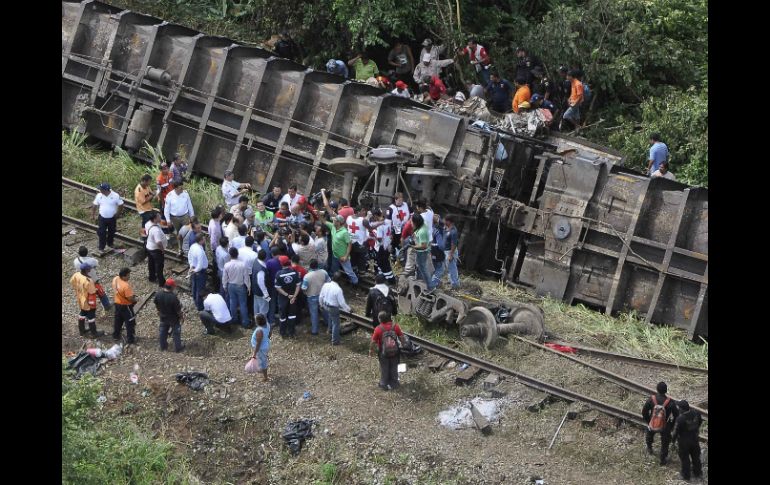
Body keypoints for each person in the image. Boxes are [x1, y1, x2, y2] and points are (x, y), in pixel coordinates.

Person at [369, 311, 408, 390]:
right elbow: (401, 337)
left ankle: (384, 384)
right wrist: (404, 345)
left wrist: (371, 351)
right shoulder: (395, 326)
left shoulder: (378, 329)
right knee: (394, 367)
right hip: (395, 352)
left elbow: (373, 342)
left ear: (380, 319)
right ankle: (394, 383)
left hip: (383, 353)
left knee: (384, 368)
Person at [642, 381, 679, 465]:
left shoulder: (651, 399)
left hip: (653, 423)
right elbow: (676, 415)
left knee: (649, 435)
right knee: (665, 443)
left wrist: (649, 421)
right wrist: (671, 425)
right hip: (665, 426)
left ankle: (649, 448)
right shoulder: (670, 402)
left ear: (657, 389)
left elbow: (644, 412)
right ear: (666, 390)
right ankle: (662, 460)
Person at [70, 263, 104, 338]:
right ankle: (94, 333)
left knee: (82, 313)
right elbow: (92, 292)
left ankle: (82, 331)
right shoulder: (89, 281)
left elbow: (72, 282)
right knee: (91, 316)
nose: (90, 269)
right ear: (86, 270)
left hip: (80, 298)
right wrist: (96, 289)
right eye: (89, 268)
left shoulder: (77, 274)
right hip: (88, 301)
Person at [671, 400, 703, 481]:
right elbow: (700, 422)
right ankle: (698, 473)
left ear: (682, 409)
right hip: (695, 439)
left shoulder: (680, 419)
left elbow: (675, 431)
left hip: (684, 442)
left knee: (685, 459)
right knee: (696, 457)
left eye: (679, 408)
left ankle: (686, 476)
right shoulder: (696, 413)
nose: (678, 409)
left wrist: (673, 441)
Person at [324, 214, 359, 285]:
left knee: (349, 271)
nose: (333, 221)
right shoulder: (333, 227)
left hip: (343, 257)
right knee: (334, 270)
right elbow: (324, 221)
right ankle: (334, 282)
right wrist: (318, 213)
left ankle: (355, 282)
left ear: (339, 222)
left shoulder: (344, 232)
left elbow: (349, 244)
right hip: (335, 255)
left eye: (335, 220)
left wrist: (346, 256)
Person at [73, 246, 111, 310]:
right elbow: (97, 264)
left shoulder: (75, 260)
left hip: (83, 281)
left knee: (87, 295)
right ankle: (106, 305)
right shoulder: (91, 260)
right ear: (87, 252)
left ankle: (88, 308)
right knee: (101, 293)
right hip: (93, 279)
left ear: (79, 253)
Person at [319, 271, 351, 345]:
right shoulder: (338, 289)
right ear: (340, 280)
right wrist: (349, 309)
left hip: (325, 305)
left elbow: (321, 296)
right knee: (336, 323)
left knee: (330, 317)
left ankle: (329, 330)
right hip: (333, 308)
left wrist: (321, 305)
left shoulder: (326, 285)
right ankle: (335, 341)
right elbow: (342, 303)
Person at [223, 246, 251, 328]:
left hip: (231, 285)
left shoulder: (227, 265)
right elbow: (246, 277)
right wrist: (248, 286)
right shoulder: (242, 265)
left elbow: (224, 277)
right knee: (243, 304)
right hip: (240, 285)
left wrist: (224, 286)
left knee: (232, 302)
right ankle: (245, 322)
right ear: (237, 254)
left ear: (230, 255)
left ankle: (234, 319)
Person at [301, 259, 331, 336]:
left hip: (312, 297)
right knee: (325, 310)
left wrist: (305, 292)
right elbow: (329, 281)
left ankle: (315, 330)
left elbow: (304, 288)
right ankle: (328, 323)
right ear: (317, 265)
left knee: (314, 313)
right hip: (323, 295)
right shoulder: (324, 272)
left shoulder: (307, 276)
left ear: (310, 266)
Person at [154, 278, 184, 352]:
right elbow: (178, 311)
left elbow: (156, 303)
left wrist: (159, 311)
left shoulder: (158, 294)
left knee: (162, 332)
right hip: (173, 319)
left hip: (163, 317)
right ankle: (178, 348)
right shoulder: (173, 298)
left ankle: (163, 347)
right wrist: (182, 317)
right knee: (176, 333)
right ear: (172, 287)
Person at [164, 180, 195, 253]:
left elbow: (189, 205)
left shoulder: (185, 194)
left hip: (185, 216)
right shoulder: (169, 196)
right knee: (178, 233)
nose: (182, 189)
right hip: (174, 218)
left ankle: (187, 247)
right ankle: (180, 248)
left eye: (182, 187)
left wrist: (192, 215)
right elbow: (166, 209)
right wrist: (168, 220)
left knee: (187, 232)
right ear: (175, 188)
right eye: (180, 188)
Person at [92, 182, 124, 251]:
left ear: (105, 190)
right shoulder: (99, 195)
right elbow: (94, 205)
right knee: (102, 233)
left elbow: (121, 205)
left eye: (100, 189)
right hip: (102, 218)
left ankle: (110, 243)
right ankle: (101, 247)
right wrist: (93, 215)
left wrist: (118, 214)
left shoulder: (115, 195)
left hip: (112, 218)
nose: (99, 190)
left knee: (112, 231)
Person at [275, 255, 301, 337]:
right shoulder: (295, 272)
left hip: (283, 298)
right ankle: (291, 332)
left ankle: (283, 332)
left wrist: (287, 295)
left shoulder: (278, 274)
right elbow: (298, 285)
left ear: (281, 264)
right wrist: (294, 296)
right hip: (293, 298)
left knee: (282, 316)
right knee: (292, 315)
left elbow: (278, 288)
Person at [432, 214, 460, 289]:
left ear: (449, 222)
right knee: (443, 268)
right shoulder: (446, 226)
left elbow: (454, 244)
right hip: (444, 251)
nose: (443, 221)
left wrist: (451, 254)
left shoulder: (453, 231)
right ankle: (437, 282)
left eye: (445, 220)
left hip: (450, 251)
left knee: (452, 268)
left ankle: (455, 285)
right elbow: (439, 221)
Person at [111, 267, 138, 343]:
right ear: (124, 276)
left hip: (117, 303)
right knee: (130, 322)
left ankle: (116, 335)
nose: (129, 277)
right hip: (126, 306)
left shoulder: (115, 279)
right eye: (128, 275)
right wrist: (135, 300)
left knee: (118, 320)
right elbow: (130, 299)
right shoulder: (126, 286)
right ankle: (130, 339)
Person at [371, 208, 395, 283]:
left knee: (383, 263)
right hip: (388, 244)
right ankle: (383, 277)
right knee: (383, 262)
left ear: (375, 216)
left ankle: (390, 279)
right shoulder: (387, 221)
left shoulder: (380, 225)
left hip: (382, 246)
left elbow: (379, 239)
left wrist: (372, 237)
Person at [144, 211, 167, 287]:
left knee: (151, 263)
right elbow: (158, 242)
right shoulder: (156, 230)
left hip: (149, 247)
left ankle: (152, 277)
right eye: (158, 216)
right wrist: (162, 249)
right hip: (156, 250)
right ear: (154, 219)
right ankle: (161, 282)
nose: (160, 217)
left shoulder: (148, 223)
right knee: (159, 266)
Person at [412, 213, 434, 289]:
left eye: (412, 221)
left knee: (423, 269)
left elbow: (424, 246)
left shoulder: (422, 231)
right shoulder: (422, 225)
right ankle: (420, 281)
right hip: (420, 252)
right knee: (420, 267)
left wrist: (413, 246)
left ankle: (430, 286)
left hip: (422, 252)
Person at [188, 233, 208, 311]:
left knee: (194, 286)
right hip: (200, 271)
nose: (205, 240)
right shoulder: (200, 251)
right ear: (201, 241)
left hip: (194, 269)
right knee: (200, 289)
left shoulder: (193, 246)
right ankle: (200, 306)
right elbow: (200, 264)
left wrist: (191, 266)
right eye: (204, 239)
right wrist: (195, 270)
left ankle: (195, 301)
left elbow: (189, 256)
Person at [249, 314, 272, 382]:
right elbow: (270, 333)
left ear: (258, 321)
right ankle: (261, 367)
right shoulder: (267, 324)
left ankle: (265, 377)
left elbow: (258, 344)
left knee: (263, 362)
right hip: (265, 346)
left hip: (261, 349)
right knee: (262, 358)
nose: (255, 321)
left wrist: (254, 354)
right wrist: (267, 338)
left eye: (255, 319)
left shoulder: (259, 331)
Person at [386, 192, 410, 258]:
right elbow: (388, 222)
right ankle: (393, 254)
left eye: (402, 200)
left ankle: (402, 253)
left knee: (406, 240)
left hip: (405, 226)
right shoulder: (390, 208)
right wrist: (390, 232)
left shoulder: (405, 204)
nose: (401, 202)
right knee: (396, 240)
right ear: (395, 200)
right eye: (399, 200)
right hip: (396, 227)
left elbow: (410, 214)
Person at [251, 249, 271, 323]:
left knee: (256, 306)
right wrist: (266, 294)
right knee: (263, 308)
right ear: (265, 257)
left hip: (255, 290)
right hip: (261, 292)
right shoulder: (261, 270)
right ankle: (262, 323)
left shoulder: (256, 261)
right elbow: (261, 283)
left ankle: (256, 320)